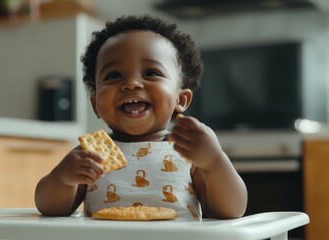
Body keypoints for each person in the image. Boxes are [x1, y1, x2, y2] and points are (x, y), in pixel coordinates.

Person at [34, 15, 247, 219]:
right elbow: (49, 208)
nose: (132, 83)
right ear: (96, 104)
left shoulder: (188, 152)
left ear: (180, 100)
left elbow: (231, 211)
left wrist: (215, 161)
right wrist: (63, 178)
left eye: (151, 73)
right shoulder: (93, 154)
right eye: (114, 75)